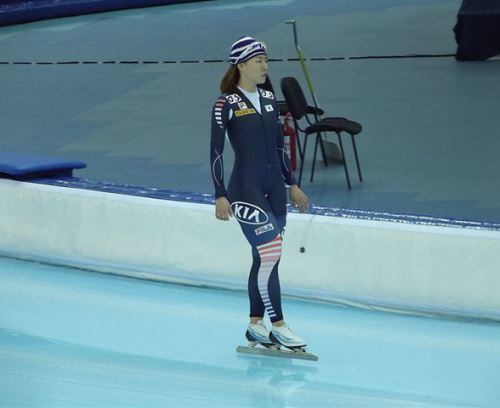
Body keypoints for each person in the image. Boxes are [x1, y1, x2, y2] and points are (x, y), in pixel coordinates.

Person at [210, 36, 309, 349]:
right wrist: (220, 193)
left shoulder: (269, 99)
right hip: (245, 189)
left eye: (266, 60)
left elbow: (280, 147)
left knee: (266, 259)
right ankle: (278, 324)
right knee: (270, 255)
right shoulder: (225, 104)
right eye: (258, 61)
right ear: (241, 65)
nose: (265, 66)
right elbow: (215, 152)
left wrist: (291, 183)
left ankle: (255, 325)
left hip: (275, 190)